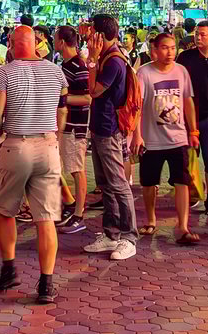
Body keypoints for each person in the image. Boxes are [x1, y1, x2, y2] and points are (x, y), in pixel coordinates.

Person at [0, 26, 67, 302]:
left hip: (16, 144)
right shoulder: (56, 72)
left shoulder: (4, 73)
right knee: (46, 218)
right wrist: (55, 136)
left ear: (10, 42)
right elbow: (62, 108)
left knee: (6, 211)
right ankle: (46, 284)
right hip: (48, 146)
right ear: (36, 43)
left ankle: (9, 269)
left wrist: (1, 132)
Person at [82, 15, 139, 260]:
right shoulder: (107, 57)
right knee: (105, 184)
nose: (86, 36)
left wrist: (91, 61)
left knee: (118, 184)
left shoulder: (113, 60)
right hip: (99, 128)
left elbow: (94, 91)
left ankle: (129, 237)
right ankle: (111, 233)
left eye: (90, 31)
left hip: (110, 129)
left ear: (99, 35)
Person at [135, 32, 200, 245]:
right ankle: (151, 219)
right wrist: (136, 135)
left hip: (178, 138)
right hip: (151, 139)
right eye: (165, 48)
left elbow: (187, 101)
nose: (170, 52)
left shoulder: (181, 71)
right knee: (149, 183)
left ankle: (183, 226)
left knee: (182, 182)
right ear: (154, 50)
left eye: (173, 48)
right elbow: (137, 107)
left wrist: (193, 131)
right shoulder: (144, 73)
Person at [176, 19, 208, 217]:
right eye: (197, 34)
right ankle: (192, 191)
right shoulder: (186, 58)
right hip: (187, 117)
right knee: (187, 159)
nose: (198, 37)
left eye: (203, 34)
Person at [55, 26, 93, 232]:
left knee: (77, 169)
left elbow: (87, 98)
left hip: (76, 125)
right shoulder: (65, 64)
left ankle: (79, 214)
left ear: (62, 42)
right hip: (65, 124)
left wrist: (61, 99)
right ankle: (69, 205)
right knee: (62, 167)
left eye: (55, 38)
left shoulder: (79, 66)